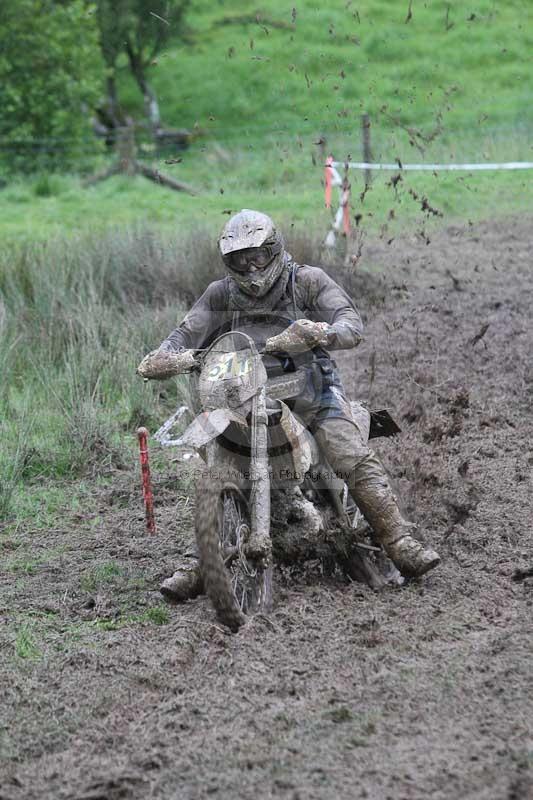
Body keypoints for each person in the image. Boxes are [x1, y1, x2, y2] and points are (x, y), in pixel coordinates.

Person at [151, 209, 440, 582]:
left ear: (274, 249)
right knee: (215, 461)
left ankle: (399, 541)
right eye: (240, 260)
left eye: (257, 256)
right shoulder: (220, 293)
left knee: (345, 448)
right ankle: (199, 561)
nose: (251, 268)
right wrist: (167, 356)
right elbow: (182, 334)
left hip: (312, 390)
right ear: (228, 261)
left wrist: (321, 332)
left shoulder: (305, 281)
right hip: (243, 394)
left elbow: (351, 323)